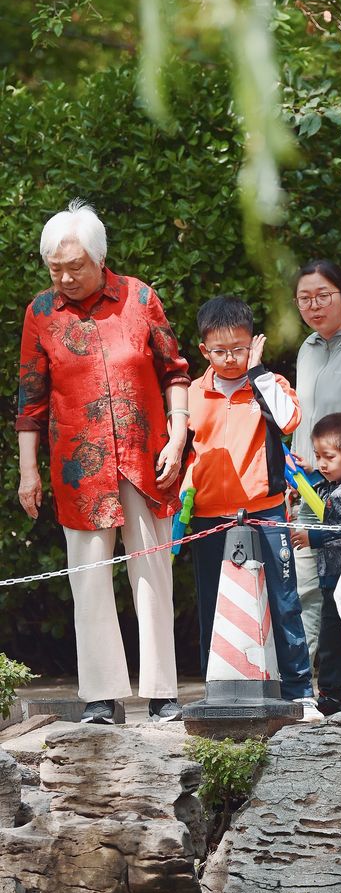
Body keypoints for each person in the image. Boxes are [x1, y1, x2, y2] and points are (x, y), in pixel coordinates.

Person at [16, 200, 189, 725]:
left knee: (152, 571)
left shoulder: (140, 298)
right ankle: (100, 695)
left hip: (147, 455)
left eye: (75, 267)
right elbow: (30, 399)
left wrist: (178, 436)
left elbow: (174, 370)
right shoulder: (40, 313)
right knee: (89, 576)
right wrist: (29, 470)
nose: (65, 277)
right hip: (79, 466)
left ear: (99, 258)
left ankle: (163, 694)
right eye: (56, 269)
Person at [183, 296, 321, 720]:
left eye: (239, 349)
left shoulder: (269, 383)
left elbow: (289, 420)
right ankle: (219, 688)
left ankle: (299, 691)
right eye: (220, 351)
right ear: (204, 350)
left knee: (284, 602)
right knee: (214, 603)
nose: (230, 359)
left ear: (253, 344)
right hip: (208, 515)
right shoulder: (192, 392)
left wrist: (258, 372)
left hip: (265, 510)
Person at [289, 260, 341, 658]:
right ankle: (303, 681)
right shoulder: (307, 348)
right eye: (305, 299)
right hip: (309, 483)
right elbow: (305, 417)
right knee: (305, 583)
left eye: (323, 296)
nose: (314, 306)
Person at [289, 412, 341, 716]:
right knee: (331, 642)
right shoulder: (330, 482)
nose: (322, 463)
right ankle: (332, 694)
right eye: (318, 456)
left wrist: (313, 537)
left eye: (328, 457)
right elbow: (321, 491)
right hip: (332, 581)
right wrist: (308, 474)